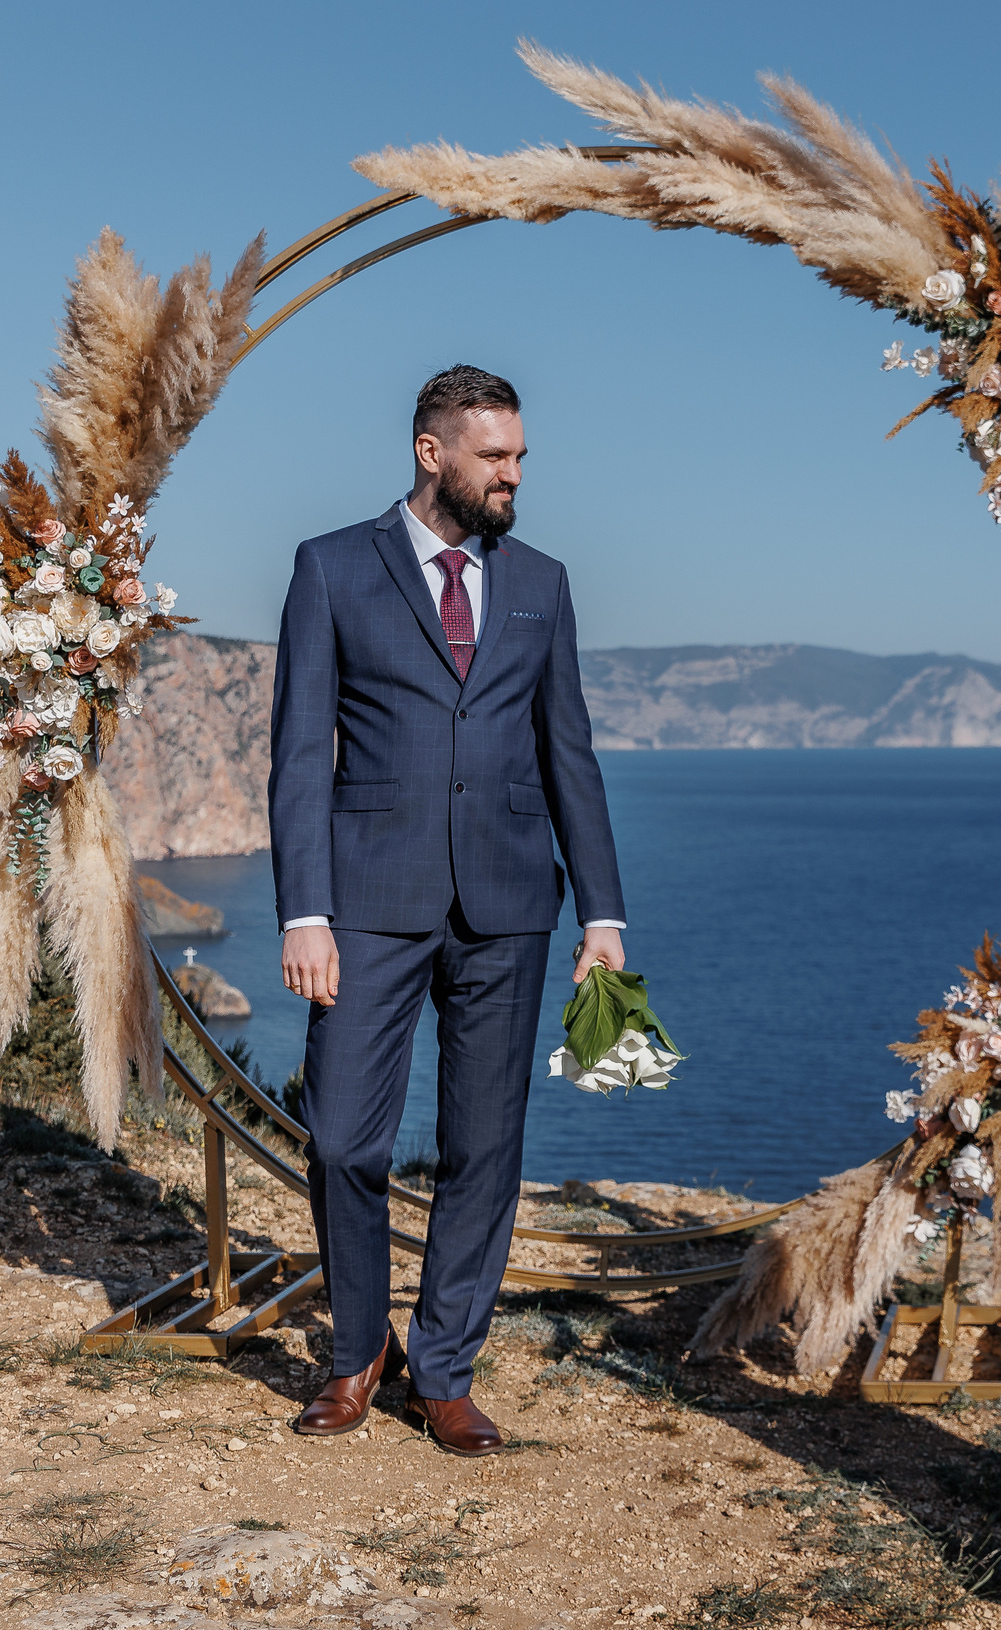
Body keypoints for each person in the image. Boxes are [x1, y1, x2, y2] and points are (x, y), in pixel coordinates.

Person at [268, 364, 627, 1453]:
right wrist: (302, 911)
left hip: (510, 902)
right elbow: (295, 753)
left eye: (519, 457)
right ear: (434, 453)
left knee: (485, 1147)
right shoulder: (331, 567)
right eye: (495, 457)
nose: (514, 475)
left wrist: (603, 914)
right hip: (366, 901)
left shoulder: (543, 581)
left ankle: (446, 1368)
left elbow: (569, 753)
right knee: (340, 1140)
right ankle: (355, 1352)